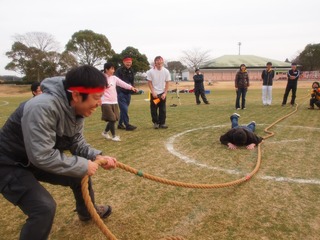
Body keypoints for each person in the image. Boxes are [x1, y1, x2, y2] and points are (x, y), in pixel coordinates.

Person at [0, 65, 117, 240]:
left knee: (78, 175)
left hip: (34, 160)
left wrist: (96, 156)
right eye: (97, 97)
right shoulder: (42, 107)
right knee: (43, 208)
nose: (99, 103)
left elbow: (76, 141)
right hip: (8, 163)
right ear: (77, 94)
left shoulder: (76, 108)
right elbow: (42, 155)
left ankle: (87, 212)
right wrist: (83, 164)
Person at [101, 63, 137, 141]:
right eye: (111, 69)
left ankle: (105, 132)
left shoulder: (114, 78)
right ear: (106, 70)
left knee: (113, 119)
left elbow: (123, 84)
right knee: (112, 119)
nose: (113, 71)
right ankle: (114, 136)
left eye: (113, 69)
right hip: (105, 102)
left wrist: (131, 87)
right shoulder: (101, 78)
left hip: (114, 101)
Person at [147, 56, 171, 129]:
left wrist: (165, 93)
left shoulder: (166, 71)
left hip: (162, 94)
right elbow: (149, 82)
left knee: (162, 109)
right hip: (155, 94)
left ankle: (162, 123)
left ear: (162, 62)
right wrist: (153, 92)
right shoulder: (150, 71)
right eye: (157, 62)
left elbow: (167, 83)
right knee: (154, 109)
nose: (159, 63)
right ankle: (156, 123)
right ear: (155, 63)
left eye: (160, 61)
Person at [115, 56, 137, 131]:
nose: (128, 64)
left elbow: (132, 81)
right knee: (124, 109)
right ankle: (127, 125)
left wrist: (133, 88)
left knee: (123, 110)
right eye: (127, 62)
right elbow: (117, 82)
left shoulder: (131, 71)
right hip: (121, 93)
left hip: (128, 93)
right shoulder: (119, 71)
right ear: (124, 62)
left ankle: (120, 124)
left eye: (130, 62)